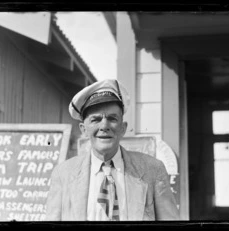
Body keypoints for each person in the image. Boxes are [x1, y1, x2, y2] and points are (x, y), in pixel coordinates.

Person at [45, 79, 179, 221]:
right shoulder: (63, 174)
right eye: (95, 119)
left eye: (112, 118)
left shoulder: (153, 170)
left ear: (123, 128)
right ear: (83, 130)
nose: (104, 126)